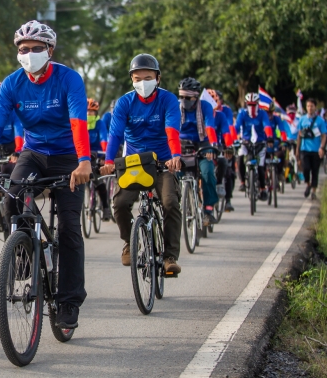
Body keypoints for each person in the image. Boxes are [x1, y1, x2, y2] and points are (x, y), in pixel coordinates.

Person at [0, 20, 91, 330]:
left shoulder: (69, 79)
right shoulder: (12, 84)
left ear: (50, 50)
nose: (29, 54)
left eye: (36, 48)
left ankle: (69, 302)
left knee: (70, 228)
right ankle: (22, 253)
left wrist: (84, 161)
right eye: (23, 49)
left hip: (68, 156)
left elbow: (78, 122)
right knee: (11, 199)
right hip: (32, 154)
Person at [99, 54, 183, 277]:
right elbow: (115, 135)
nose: (143, 83)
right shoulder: (124, 103)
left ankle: (170, 256)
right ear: (132, 80)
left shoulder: (168, 100)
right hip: (134, 163)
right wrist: (109, 162)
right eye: (137, 79)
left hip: (163, 162)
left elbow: (172, 130)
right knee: (120, 204)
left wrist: (175, 155)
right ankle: (130, 242)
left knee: (170, 203)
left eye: (148, 78)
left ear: (158, 78)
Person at [177, 78, 219, 226]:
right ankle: (176, 206)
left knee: (207, 172)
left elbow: (210, 127)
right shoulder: (175, 107)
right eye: (181, 97)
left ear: (196, 97)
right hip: (181, 145)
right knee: (172, 172)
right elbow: (169, 128)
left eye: (188, 98)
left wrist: (212, 147)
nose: (184, 100)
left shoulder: (205, 106)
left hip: (203, 144)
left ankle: (208, 210)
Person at [236, 93, 274, 200]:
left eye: (254, 105)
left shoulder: (262, 113)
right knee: (240, 159)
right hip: (246, 142)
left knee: (261, 166)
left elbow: (267, 125)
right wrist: (233, 138)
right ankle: (242, 182)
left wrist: (269, 137)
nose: (251, 107)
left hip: (260, 143)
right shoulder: (242, 114)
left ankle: (262, 188)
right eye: (249, 104)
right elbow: (236, 127)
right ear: (246, 104)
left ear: (258, 104)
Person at [209, 89, 236, 212]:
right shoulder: (198, 114)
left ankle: (227, 199)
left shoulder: (222, 114)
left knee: (227, 167)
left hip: (218, 146)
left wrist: (230, 145)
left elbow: (228, 130)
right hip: (202, 146)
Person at [296, 99, 327, 199]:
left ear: (315, 107)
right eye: (308, 106)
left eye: (312, 106)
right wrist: (297, 150)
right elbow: (299, 135)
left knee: (315, 171)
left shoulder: (320, 121)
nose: (310, 108)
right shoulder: (302, 119)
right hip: (304, 149)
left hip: (316, 150)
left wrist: (322, 147)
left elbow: (324, 136)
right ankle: (308, 184)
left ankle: (313, 191)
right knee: (306, 168)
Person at [87, 98, 111, 220]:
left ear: (95, 112)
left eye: (91, 111)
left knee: (98, 181)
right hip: (84, 154)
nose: (89, 114)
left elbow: (103, 139)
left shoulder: (100, 123)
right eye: (87, 111)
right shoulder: (80, 122)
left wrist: (104, 155)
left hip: (98, 154)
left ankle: (106, 207)